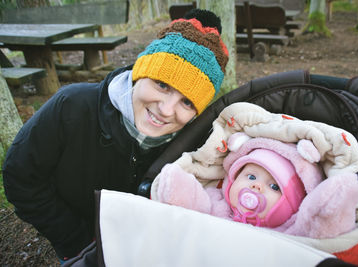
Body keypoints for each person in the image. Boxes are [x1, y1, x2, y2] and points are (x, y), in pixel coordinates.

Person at [2, 9, 229, 262]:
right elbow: (20, 176)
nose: (166, 110)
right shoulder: (72, 106)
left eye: (187, 102)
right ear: (141, 72)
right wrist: (75, 239)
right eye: (162, 85)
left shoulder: (193, 145)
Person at [151, 102, 358, 266]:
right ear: (232, 179)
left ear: (298, 202)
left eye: (274, 186)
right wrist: (179, 190)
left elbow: (319, 234)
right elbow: (196, 206)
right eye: (251, 177)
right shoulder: (220, 202)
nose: (257, 187)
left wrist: (327, 210)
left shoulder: (294, 224)